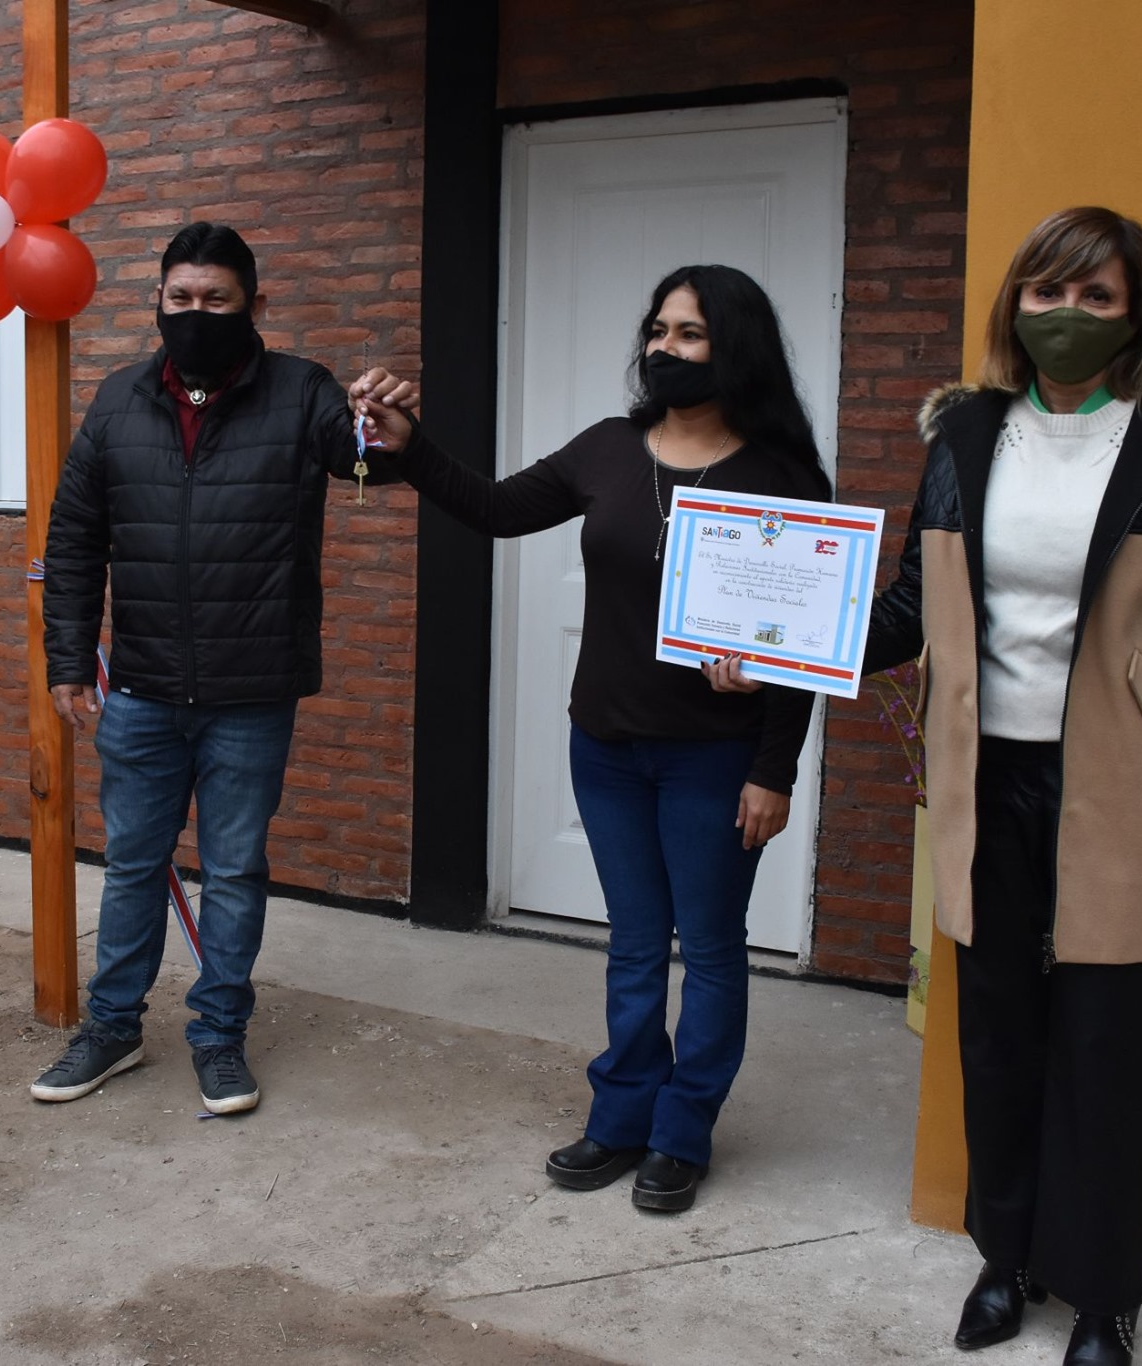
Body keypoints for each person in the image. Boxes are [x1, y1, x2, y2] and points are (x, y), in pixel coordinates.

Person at [861, 207, 1142, 1366]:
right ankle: (1005, 1261)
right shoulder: (965, 432)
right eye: (1047, 291)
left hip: (1125, 784)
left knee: (1100, 1046)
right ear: (1015, 301)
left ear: (1135, 311)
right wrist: (774, 639)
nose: (1067, 314)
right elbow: (912, 601)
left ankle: (1101, 1294)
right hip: (984, 777)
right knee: (993, 1032)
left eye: (1096, 296)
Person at [354, 265, 827, 1213]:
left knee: (712, 949)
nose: (665, 348)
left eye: (690, 333)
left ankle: (682, 1133)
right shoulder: (610, 447)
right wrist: (409, 448)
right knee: (635, 945)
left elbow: (803, 647)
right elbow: (495, 509)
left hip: (715, 758)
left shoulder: (783, 478)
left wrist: (774, 769)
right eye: (658, 329)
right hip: (606, 748)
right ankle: (621, 1116)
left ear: (734, 348)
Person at [33, 222, 415, 1116]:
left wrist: (391, 435)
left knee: (235, 871)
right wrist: (69, 657)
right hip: (142, 688)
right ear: (158, 301)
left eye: (217, 299)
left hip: (252, 691)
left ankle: (218, 1034)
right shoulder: (118, 401)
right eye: (180, 298)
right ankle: (113, 1028)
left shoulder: (302, 392)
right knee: (133, 865)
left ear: (254, 305)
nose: (196, 313)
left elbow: (364, 461)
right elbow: (75, 538)